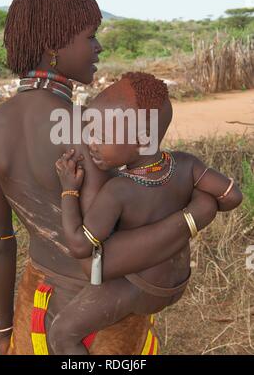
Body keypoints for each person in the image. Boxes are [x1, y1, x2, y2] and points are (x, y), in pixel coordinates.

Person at [0, 0, 219, 355]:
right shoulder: (96, 132)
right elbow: (141, 227)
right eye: (90, 36)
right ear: (52, 45)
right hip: (105, 315)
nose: (98, 47)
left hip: (35, 310)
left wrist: (5, 329)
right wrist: (195, 215)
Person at [51, 71, 243, 354]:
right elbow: (231, 196)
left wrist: (68, 189)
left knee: (61, 334)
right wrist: (201, 206)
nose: (91, 142)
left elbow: (81, 245)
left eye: (101, 135)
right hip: (176, 282)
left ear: (142, 140)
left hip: (138, 289)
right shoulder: (186, 165)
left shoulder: (118, 191)